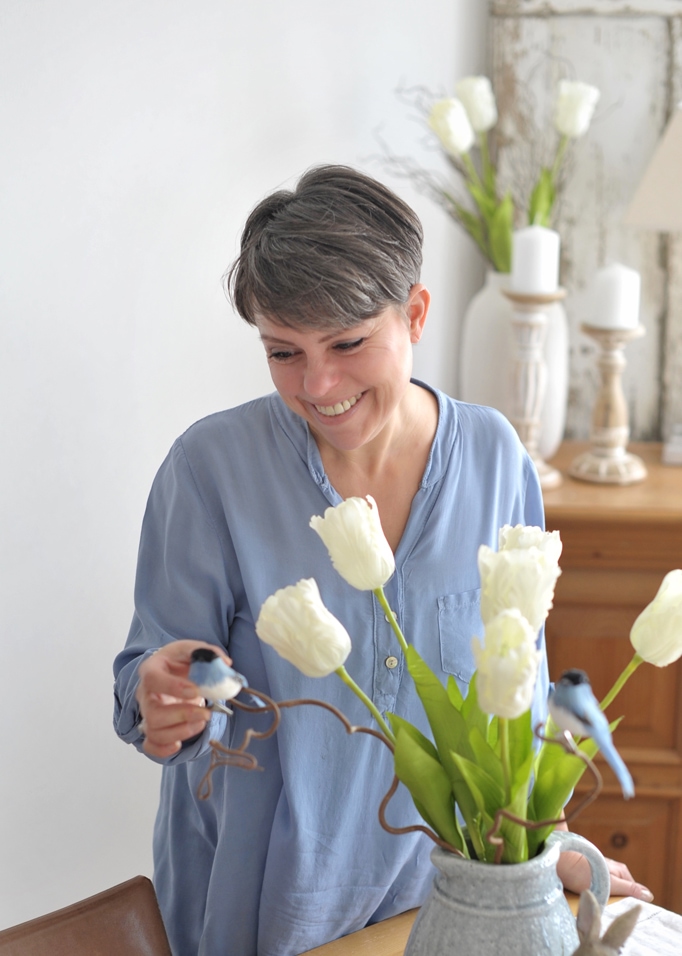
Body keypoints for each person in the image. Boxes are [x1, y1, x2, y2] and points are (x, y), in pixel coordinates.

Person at [113, 165, 650, 956]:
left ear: (417, 314)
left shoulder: (495, 457)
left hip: (449, 898)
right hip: (258, 910)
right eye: (283, 352)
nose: (319, 384)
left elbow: (519, 680)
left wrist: (542, 844)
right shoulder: (208, 469)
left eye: (349, 343)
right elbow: (147, 681)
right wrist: (161, 699)